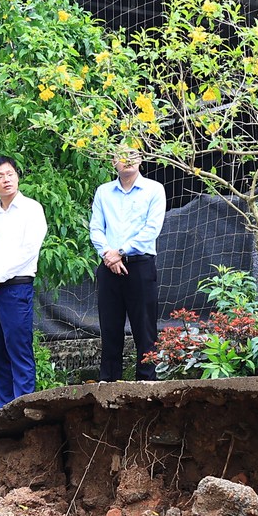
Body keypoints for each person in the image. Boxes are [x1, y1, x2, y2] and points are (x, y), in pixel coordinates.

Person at [88, 150, 167, 382]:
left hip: (140, 265)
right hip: (108, 266)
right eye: (122, 155)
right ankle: (108, 383)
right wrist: (109, 255)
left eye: (133, 154)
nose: (128, 159)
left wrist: (120, 252)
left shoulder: (154, 189)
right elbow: (96, 228)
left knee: (145, 329)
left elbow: (152, 229)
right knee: (110, 329)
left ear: (141, 158)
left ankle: (147, 383)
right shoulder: (103, 192)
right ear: (113, 161)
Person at [0, 154, 47, 404]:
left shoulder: (31, 209)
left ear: (17, 176)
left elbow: (29, 250)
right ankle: (3, 408)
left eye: (10, 174)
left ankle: (23, 406)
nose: (6, 180)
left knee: (18, 348)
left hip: (16, 287)